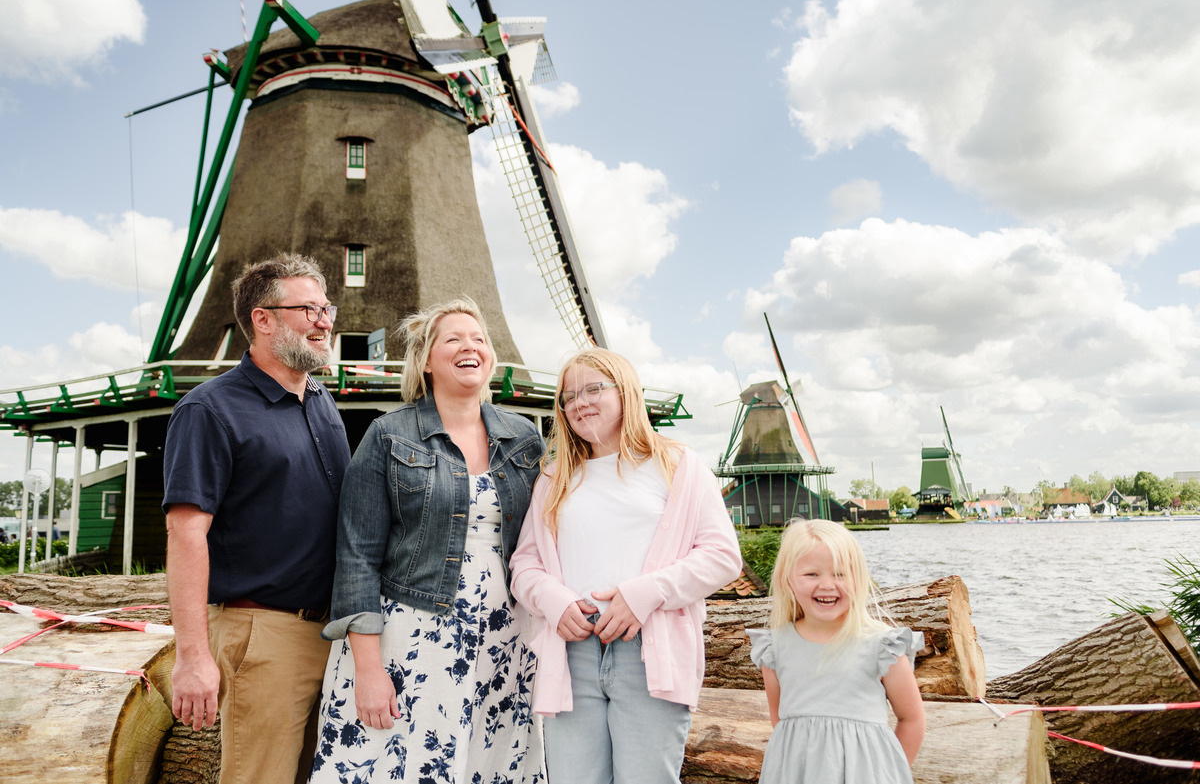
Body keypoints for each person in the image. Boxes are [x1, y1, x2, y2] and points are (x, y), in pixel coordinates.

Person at [310, 298, 546, 784]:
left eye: (479, 338)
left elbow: (549, 539)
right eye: (453, 339)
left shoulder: (524, 439)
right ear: (425, 359)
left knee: (490, 765)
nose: (470, 346)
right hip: (413, 641)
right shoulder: (388, 436)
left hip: (506, 640)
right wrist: (369, 671)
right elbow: (357, 556)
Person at [509, 348, 743, 784]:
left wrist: (642, 595)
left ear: (626, 391)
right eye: (568, 396)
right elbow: (525, 563)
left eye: (593, 389)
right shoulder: (554, 477)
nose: (579, 403)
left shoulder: (677, 466)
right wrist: (554, 602)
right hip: (573, 649)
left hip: (648, 649)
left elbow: (722, 555)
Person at [162, 254, 350, 784]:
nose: (324, 319)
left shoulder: (320, 402)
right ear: (263, 319)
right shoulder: (211, 410)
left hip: (333, 633)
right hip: (263, 635)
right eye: (308, 308)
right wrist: (193, 656)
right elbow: (186, 532)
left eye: (326, 306)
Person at [747, 519, 925, 784]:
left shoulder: (881, 646)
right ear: (788, 580)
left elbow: (912, 719)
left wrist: (890, 772)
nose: (827, 585)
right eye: (812, 574)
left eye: (840, 573)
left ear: (858, 578)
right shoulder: (775, 648)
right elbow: (782, 723)